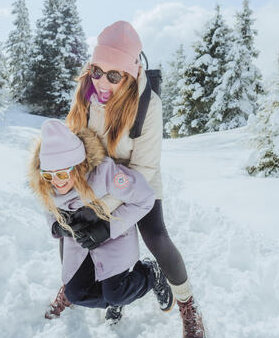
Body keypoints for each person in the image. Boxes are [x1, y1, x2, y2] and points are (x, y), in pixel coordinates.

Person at [46, 20, 208, 338]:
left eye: (114, 75)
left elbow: (144, 170)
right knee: (69, 226)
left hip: (137, 181)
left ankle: (186, 305)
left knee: (156, 236)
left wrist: (103, 214)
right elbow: (71, 141)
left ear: (132, 73)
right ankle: (71, 283)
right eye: (96, 71)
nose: (102, 82)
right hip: (93, 177)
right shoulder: (87, 92)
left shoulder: (148, 107)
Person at [30, 119, 174, 320]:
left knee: (117, 293)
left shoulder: (105, 174)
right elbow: (48, 205)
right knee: (76, 294)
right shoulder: (48, 183)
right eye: (49, 175)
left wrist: (107, 228)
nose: (56, 182)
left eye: (62, 174)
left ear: (78, 166)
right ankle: (116, 300)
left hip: (113, 236)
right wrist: (57, 225)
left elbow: (145, 198)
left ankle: (151, 274)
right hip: (81, 245)